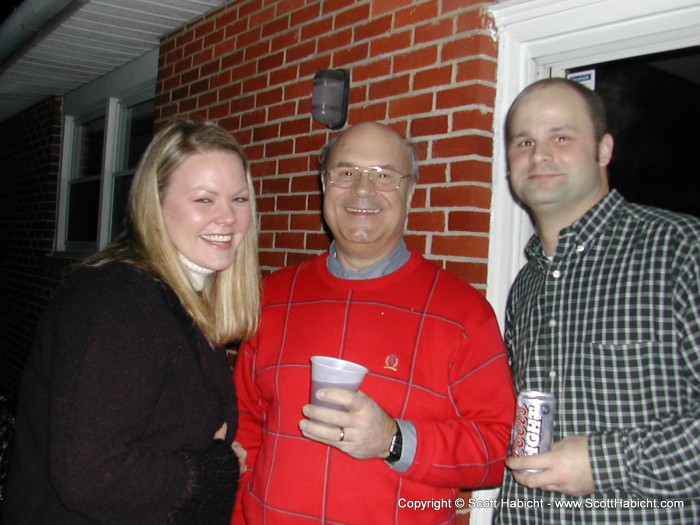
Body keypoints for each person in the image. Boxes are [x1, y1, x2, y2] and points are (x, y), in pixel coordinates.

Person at [232, 121, 516, 524]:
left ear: (410, 192)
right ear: (324, 185)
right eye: (345, 173)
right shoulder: (272, 296)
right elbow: (246, 426)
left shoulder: (463, 313)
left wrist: (393, 440)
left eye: (384, 175)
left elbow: (500, 449)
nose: (362, 190)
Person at [3, 120, 261, 524]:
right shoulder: (119, 297)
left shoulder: (178, 298)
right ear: (155, 204)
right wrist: (216, 470)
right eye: (204, 200)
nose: (227, 217)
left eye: (239, 199)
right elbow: (90, 474)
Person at [495, 78, 700, 524]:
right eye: (524, 141)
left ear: (604, 150)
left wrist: (605, 461)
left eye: (561, 137)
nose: (540, 154)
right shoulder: (526, 285)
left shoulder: (682, 250)